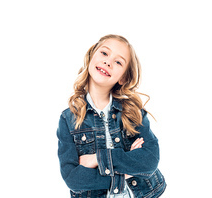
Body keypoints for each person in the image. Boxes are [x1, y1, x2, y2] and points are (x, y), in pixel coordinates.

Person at [57, 34, 166, 198]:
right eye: (104, 53)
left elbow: (149, 160)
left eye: (118, 62)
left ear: (123, 78)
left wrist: (95, 159)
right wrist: (128, 166)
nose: (108, 62)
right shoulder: (68, 119)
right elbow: (73, 179)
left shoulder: (133, 111)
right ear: (91, 56)